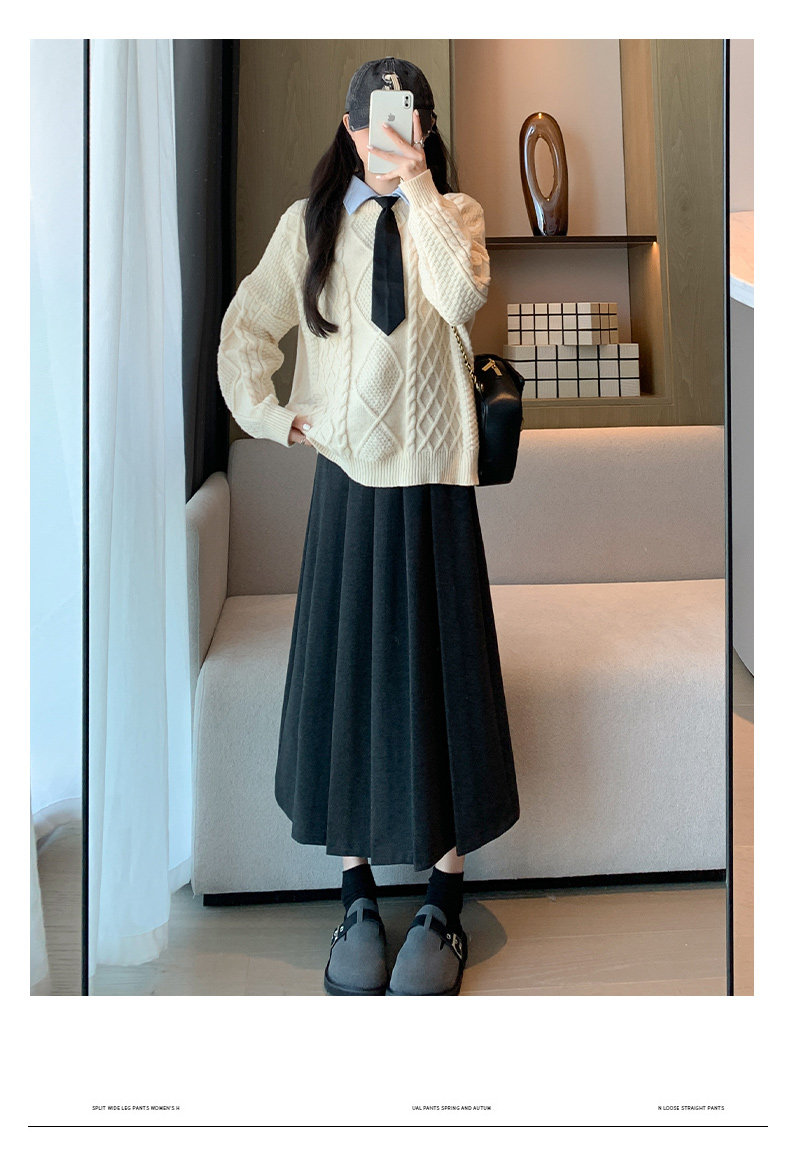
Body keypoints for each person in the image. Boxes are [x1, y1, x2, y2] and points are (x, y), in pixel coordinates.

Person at [217, 57, 520, 996]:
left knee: (443, 689)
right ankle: (355, 898)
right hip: (348, 484)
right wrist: (277, 418)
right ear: (350, 128)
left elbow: (462, 300)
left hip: (437, 487)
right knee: (347, 688)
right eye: (378, 119)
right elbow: (246, 329)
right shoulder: (308, 225)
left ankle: (443, 899)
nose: (391, 130)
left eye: (409, 115)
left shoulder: (455, 214)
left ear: (424, 125)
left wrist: (420, 188)